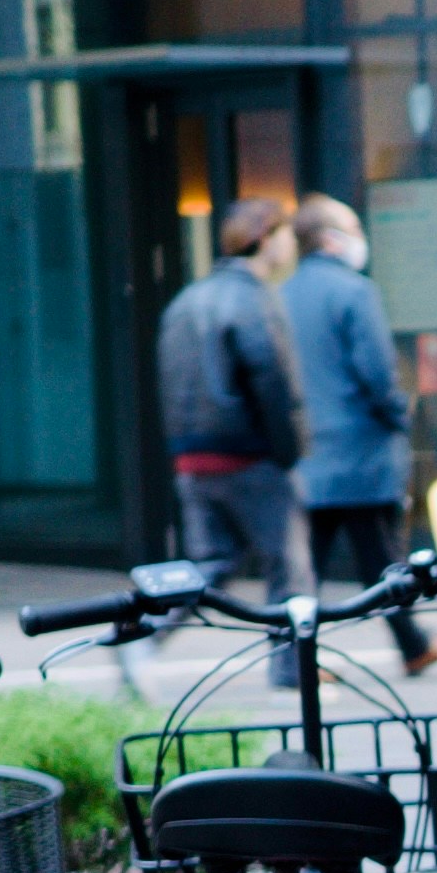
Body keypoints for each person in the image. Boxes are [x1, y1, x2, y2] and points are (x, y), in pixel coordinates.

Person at [280, 190, 436, 669]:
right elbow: (376, 371)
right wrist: (399, 413)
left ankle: (296, 657)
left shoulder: (280, 294)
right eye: (351, 227)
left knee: (311, 565)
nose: (358, 238)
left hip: (310, 453)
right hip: (359, 450)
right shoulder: (354, 291)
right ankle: (412, 645)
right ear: (329, 238)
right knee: (378, 557)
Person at [154, 198, 306, 597]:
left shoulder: (185, 301)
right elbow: (272, 379)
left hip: (192, 460)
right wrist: (287, 453)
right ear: (266, 238)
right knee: (288, 571)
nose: (292, 245)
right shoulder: (255, 299)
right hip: (247, 455)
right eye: (287, 234)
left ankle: (143, 640)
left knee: (209, 569)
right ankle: (292, 662)